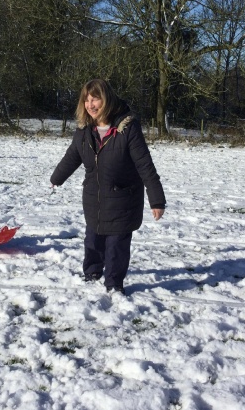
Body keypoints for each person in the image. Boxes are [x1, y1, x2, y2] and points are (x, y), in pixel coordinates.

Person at [50, 79, 166, 295]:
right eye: (86, 100)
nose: (90, 105)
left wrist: (157, 200)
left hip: (123, 199)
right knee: (92, 240)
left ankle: (113, 284)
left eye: (95, 99)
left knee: (116, 247)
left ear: (107, 99)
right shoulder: (84, 130)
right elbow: (72, 156)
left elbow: (145, 165)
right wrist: (57, 177)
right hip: (94, 198)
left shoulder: (127, 128)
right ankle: (92, 273)